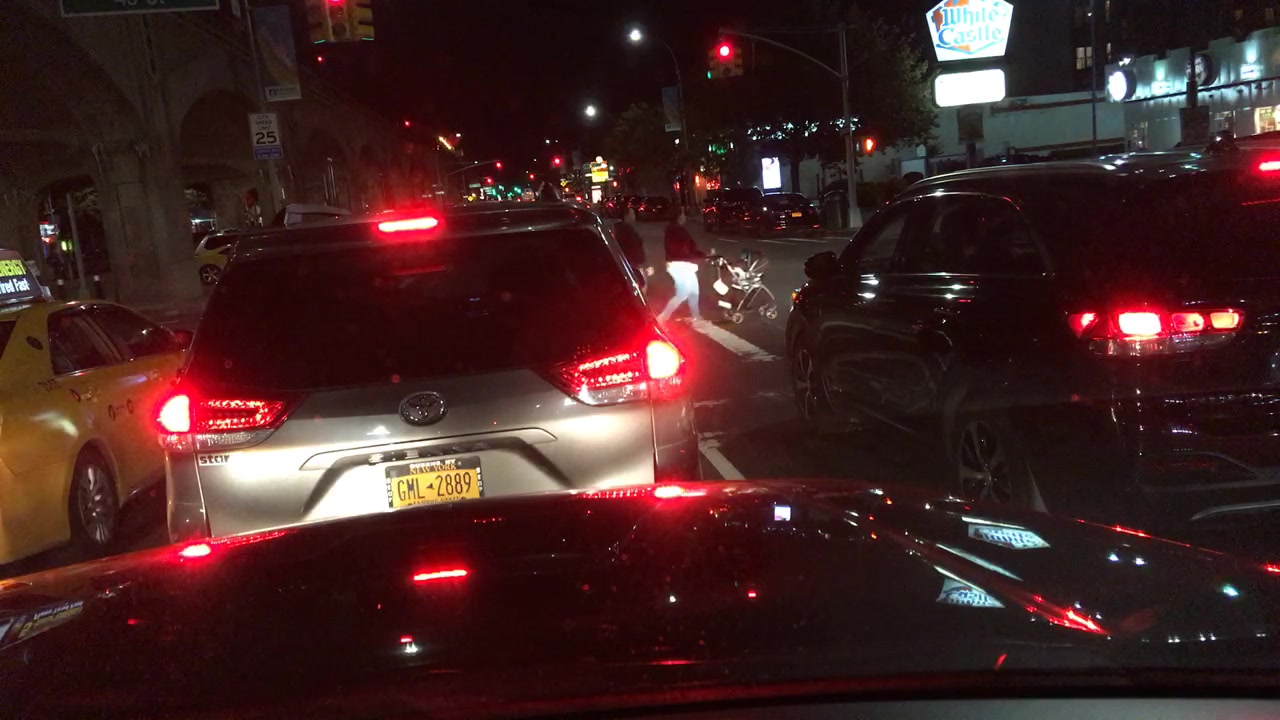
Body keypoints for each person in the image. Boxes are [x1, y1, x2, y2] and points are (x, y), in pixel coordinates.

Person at [656, 208, 706, 323]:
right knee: (682, 294)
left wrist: (700, 256)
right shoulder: (678, 231)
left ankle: (696, 316)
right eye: (683, 214)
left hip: (680, 263)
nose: (685, 217)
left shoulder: (672, 230)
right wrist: (699, 256)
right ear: (679, 216)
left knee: (694, 290)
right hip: (681, 265)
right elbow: (687, 249)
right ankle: (662, 318)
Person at [611, 208, 646, 289]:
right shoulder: (625, 229)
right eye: (632, 214)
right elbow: (633, 246)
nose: (634, 216)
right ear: (626, 216)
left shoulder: (618, 227)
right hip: (629, 264)